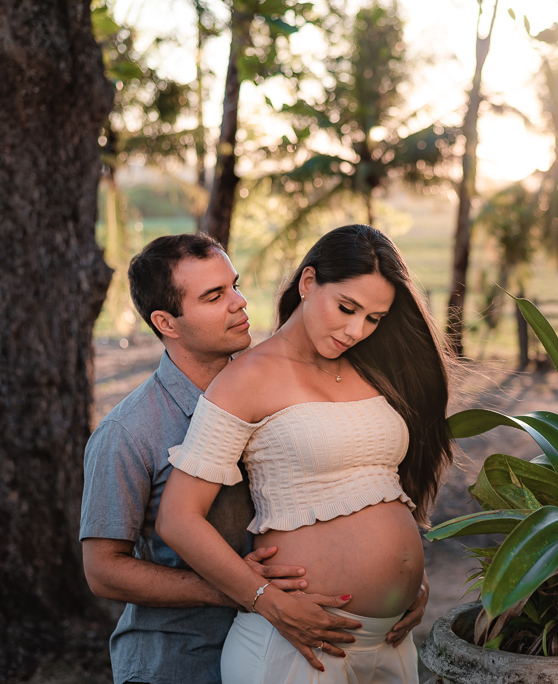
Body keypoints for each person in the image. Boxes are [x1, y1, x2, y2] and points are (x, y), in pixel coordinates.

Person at [156, 224, 454, 683]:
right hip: (298, 646)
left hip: (389, 642)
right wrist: (267, 600)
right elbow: (178, 518)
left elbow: (378, 485)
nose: (356, 330)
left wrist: (409, 580)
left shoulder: (370, 369)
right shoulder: (248, 378)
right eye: (347, 308)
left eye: (374, 318)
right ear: (309, 282)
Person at [81, 233, 361, 684]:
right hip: (180, 663)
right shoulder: (128, 432)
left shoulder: (274, 392)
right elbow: (103, 571)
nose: (240, 302)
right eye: (215, 296)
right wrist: (237, 587)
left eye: (234, 284)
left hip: (283, 655)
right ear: (166, 323)